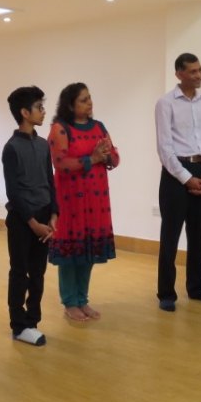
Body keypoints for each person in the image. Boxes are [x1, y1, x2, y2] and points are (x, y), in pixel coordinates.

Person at [154, 53, 201, 312]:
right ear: (179, 74)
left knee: (198, 234)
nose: (199, 75)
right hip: (176, 174)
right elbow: (165, 149)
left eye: (200, 70)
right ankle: (166, 293)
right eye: (193, 71)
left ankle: (196, 287)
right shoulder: (166, 103)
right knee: (170, 236)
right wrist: (187, 178)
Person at [49, 83, 120, 321]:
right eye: (83, 100)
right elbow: (60, 164)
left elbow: (115, 158)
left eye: (89, 98)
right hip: (70, 201)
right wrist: (92, 158)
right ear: (70, 105)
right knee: (71, 252)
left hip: (97, 200)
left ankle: (82, 299)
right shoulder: (60, 129)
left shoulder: (99, 127)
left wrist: (107, 155)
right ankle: (70, 302)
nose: (89, 103)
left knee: (87, 250)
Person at [2, 86, 56, 345]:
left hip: (44, 216)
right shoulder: (11, 148)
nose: (43, 112)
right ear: (25, 113)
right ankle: (18, 324)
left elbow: (50, 181)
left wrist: (54, 214)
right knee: (19, 272)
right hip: (23, 220)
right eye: (39, 107)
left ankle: (32, 321)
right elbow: (13, 192)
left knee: (38, 272)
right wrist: (33, 223)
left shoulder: (43, 145)